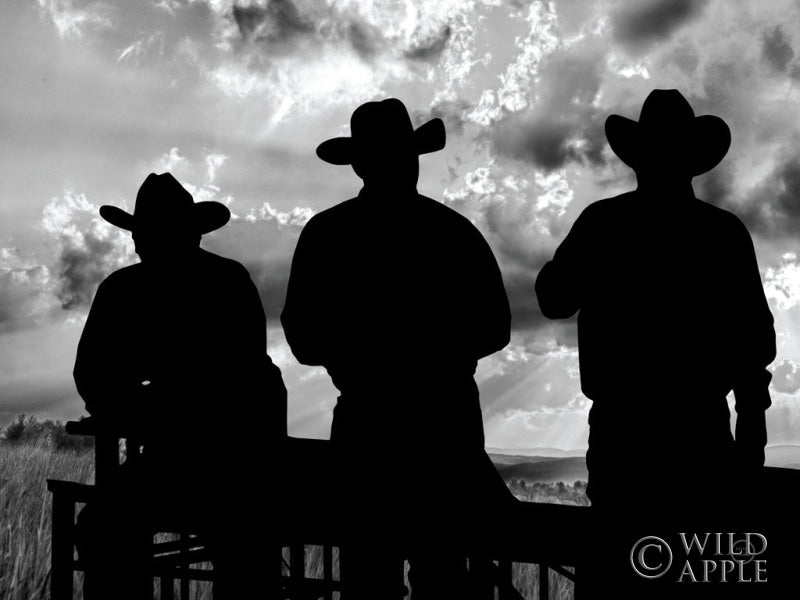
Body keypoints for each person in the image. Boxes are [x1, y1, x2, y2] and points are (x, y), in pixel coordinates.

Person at [535, 89, 776, 597]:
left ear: (636, 158)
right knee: (690, 574)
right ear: (693, 161)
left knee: (616, 575)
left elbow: (553, 300)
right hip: (701, 439)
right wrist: (750, 441)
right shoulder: (724, 233)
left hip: (624, 438)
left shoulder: (604, 222)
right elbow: (755, 347)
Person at [281, 98, 513, 600]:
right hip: (444, 431)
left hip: (369, 429)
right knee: (442, 580)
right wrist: (432, 356)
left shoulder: (328, 234)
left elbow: (302, 337)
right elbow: (496, 328)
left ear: (358, 164)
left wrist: (363, 357)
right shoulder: (454, 232)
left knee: (369, 580)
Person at [74, 172, 287, 600]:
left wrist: (147, 402)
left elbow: (95, 381)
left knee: (103, 527)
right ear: (196, 233)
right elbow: (247, 374)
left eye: (143, 233)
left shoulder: (125, 289)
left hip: (199, 462)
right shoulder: (228, 279)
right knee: (245, 548)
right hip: (242, 463)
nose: (139, 243)